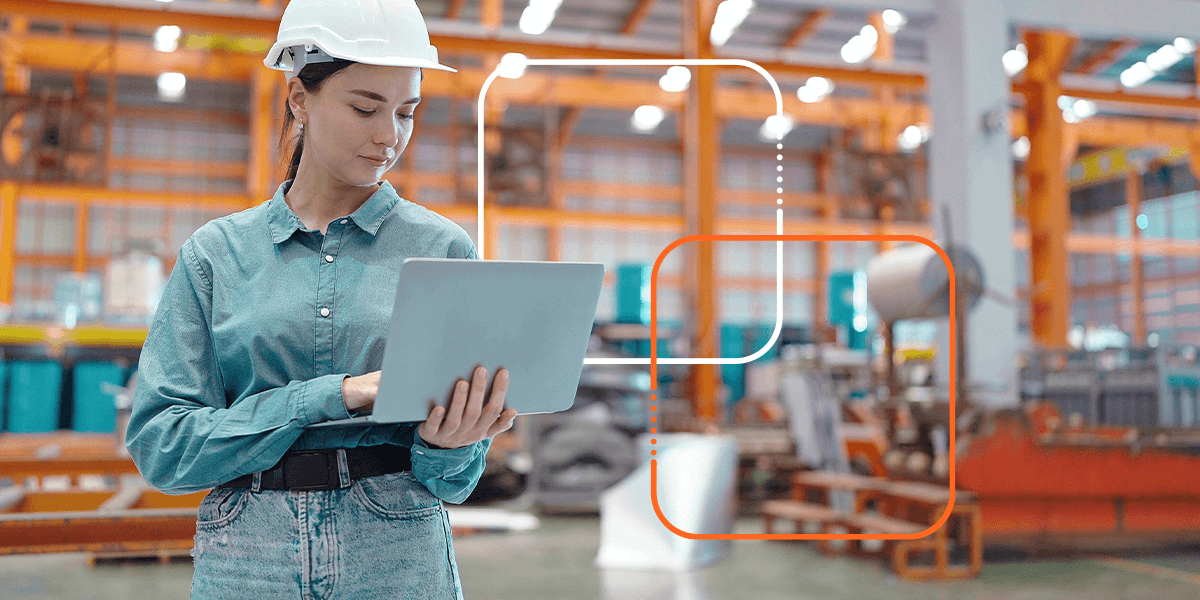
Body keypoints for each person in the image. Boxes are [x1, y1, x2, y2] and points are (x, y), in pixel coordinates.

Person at [124, 1, 516, 597]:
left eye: (406, 112)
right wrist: (337, 396)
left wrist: (452, 444)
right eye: (364, 108)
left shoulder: (441, 249)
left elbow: (453, 481)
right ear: (298, 98)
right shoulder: (217, 254)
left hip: (396, 545)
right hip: (249, 549)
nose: (389, 136)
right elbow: (164, 448)